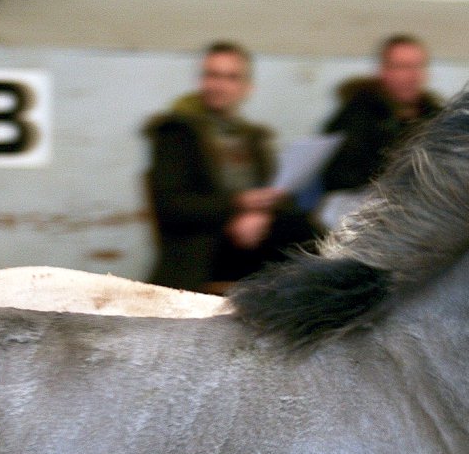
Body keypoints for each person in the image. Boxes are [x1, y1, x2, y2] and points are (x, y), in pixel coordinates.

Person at [144, 41, 316, 291]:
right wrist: (237, 206)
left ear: (247, 88)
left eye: (231, 77)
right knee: (301, 234)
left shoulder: (253, 138)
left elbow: (272, 193)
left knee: (306, 228)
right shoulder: (176, 134)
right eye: (212, 75)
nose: (219, 85)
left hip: (255, 243)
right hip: (202, 249)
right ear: (201, 80)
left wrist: (260, 216)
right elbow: (172, 207)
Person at [316, 34, 441, 228]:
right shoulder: (356, 116)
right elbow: (337, 175)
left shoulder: (436, 116)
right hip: (363, 201)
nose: (412, 75)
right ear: (384, 71)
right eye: (403, 67)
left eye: (418, 66)